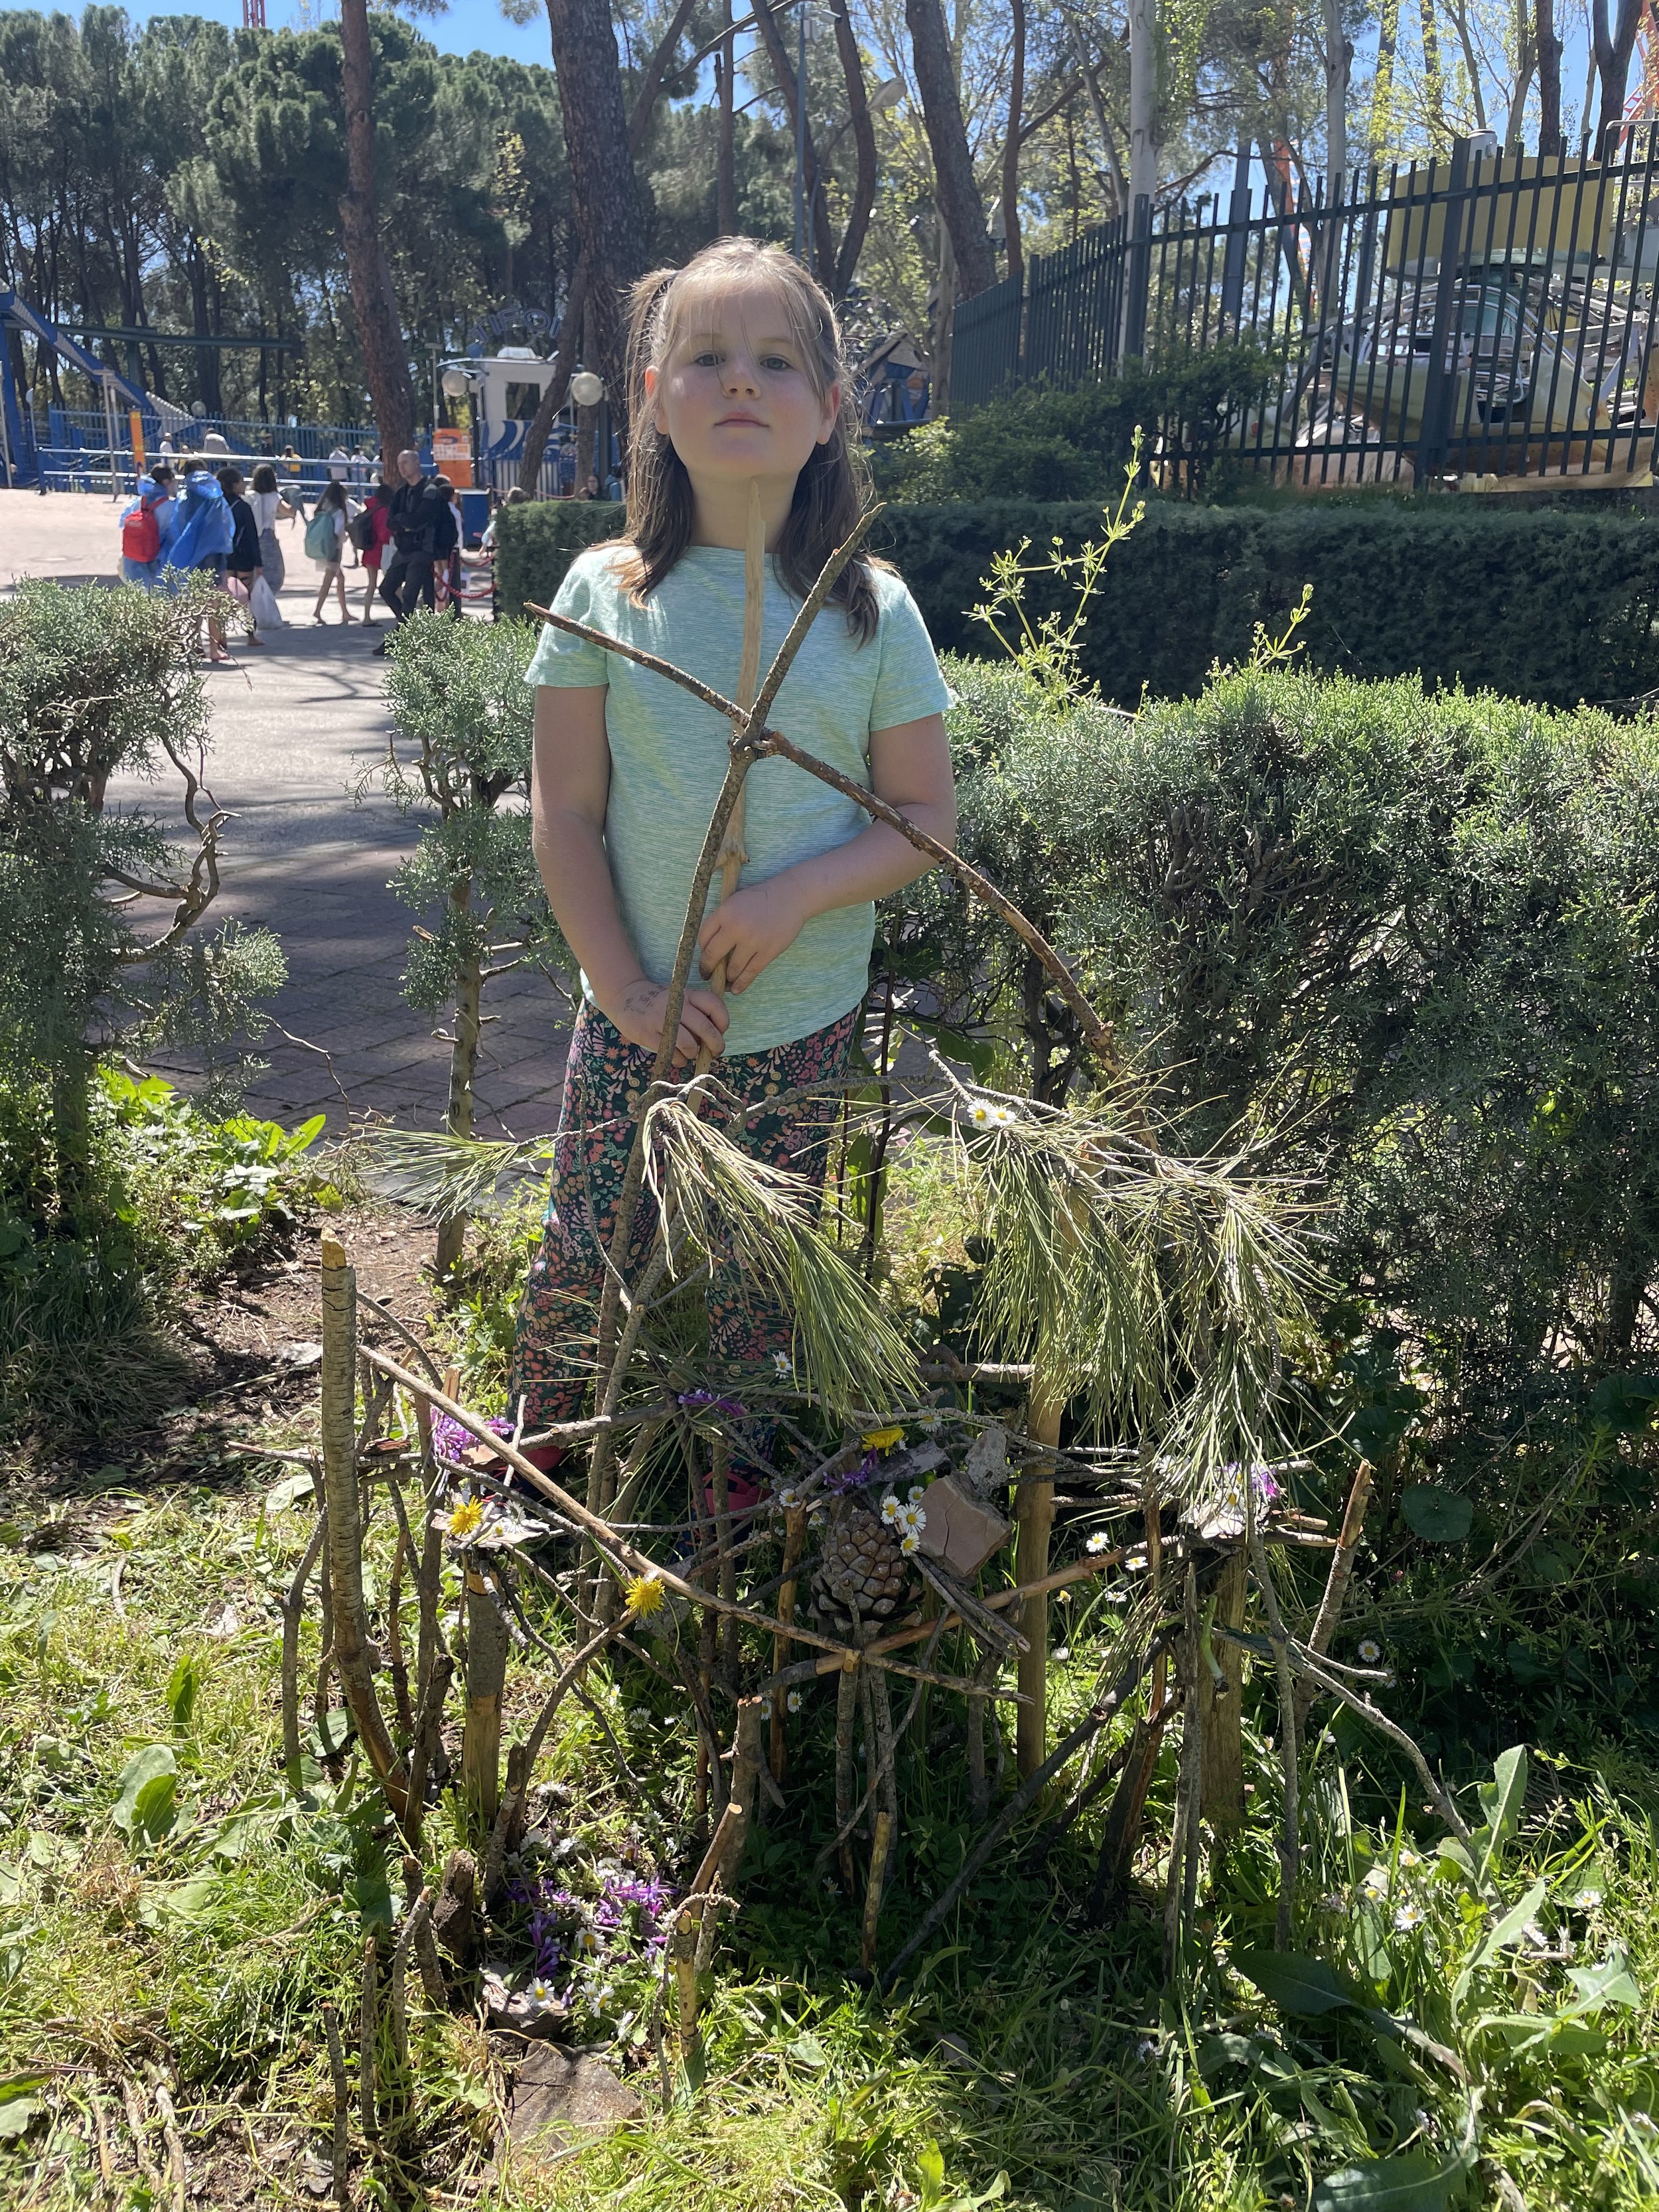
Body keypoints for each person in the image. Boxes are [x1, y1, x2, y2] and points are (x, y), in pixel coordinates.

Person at [509, 236, 955, 1432]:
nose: (742, 381)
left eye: (776, 360)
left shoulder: (874, 607)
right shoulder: (605, 592)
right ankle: (547, 1470)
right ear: (654, 402)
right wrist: (625, 984)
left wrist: (790, 897)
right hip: (636, 1015)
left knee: (765, 1273)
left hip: (799, 1018)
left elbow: (926, 819)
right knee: (592, 1244)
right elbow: (568, 814)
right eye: (706, 356)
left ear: (830, 411)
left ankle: (740, 1493)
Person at [166, 458, 236, 664]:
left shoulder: (184, 497)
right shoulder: (214, 496)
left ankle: (196, 644)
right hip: (213, 554)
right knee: (213, 602)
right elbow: (224, 527)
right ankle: (214, 649)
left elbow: (177, 525)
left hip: (190, 554)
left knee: (195, 600)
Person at [375, 448, 443, 647]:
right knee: (386, 589)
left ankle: (399, 640)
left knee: (409, 596)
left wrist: (405, 522)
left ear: (416, 464)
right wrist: (405, 523)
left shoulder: (429, 490)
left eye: (405, 463)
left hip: (423, 550)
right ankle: (410, 629)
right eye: (399, 464)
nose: (401, 468)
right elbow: (391, 521)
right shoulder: (401, 493)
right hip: (403, 550)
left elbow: (419, 519)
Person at [218, 465, 265, 648]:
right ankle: (251, 635)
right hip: (244, 557)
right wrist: (258, 563)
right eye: (240, 481)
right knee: (247, 598)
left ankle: (221, 635)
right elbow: (252, 537)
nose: (244, 483)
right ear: (234, 484)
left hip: (224, 556)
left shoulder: (218, 505)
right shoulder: (243, 507)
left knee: (223, 596)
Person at [119, 463, 176, 588]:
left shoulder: (138, 502)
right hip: (155, 556)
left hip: (132, 557)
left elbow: (122, 522)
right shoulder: (171, 506)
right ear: (167, 482)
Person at [305, 479, 350, 623]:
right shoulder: (339, 512)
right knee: (335, 579)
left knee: (332, 579)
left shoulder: (323, 508)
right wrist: (346, 537)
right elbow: (338, 531)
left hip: (324, 547)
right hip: (334, 550)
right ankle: (334, 612)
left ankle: (339, 612)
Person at [248, 461, 296, 593]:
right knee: (275, 573)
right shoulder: (274, 497)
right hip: (267, 536)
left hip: (252, 537)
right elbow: (290, 512)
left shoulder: (251, 496)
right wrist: (295, 499)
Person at [354, 468, 394, 625]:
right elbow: (384, 534)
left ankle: (366, 616)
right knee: (393, 583)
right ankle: (403, 613)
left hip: (369, 550)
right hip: (382, 550)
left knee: (371, 584)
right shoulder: (384, 511)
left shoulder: (371, 508)